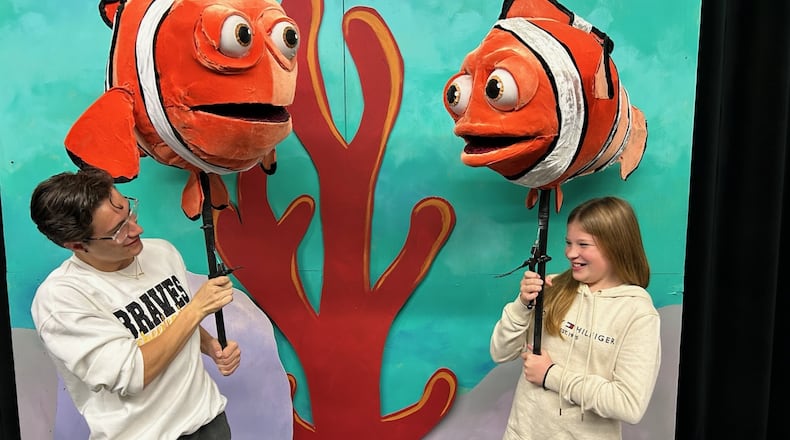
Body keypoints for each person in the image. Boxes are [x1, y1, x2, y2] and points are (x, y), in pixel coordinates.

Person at [29, 167, 241, 439]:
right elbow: (133, 375)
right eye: (118, 230)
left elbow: (170, 318)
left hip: (209, 419)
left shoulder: (161, 252)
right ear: (77, 245)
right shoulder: (62, 301)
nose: (136, 229)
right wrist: (197, 309)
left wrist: (210, 346)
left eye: (129, 212)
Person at [490, 196, 661, 440]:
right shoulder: (554, 287)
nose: (571, 253)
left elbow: (628, 404)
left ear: (616, 246)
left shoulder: (638, 314)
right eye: (568, 242)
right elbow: (501, 352)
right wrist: (522, 304)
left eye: (583, 244)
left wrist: (551, 375)